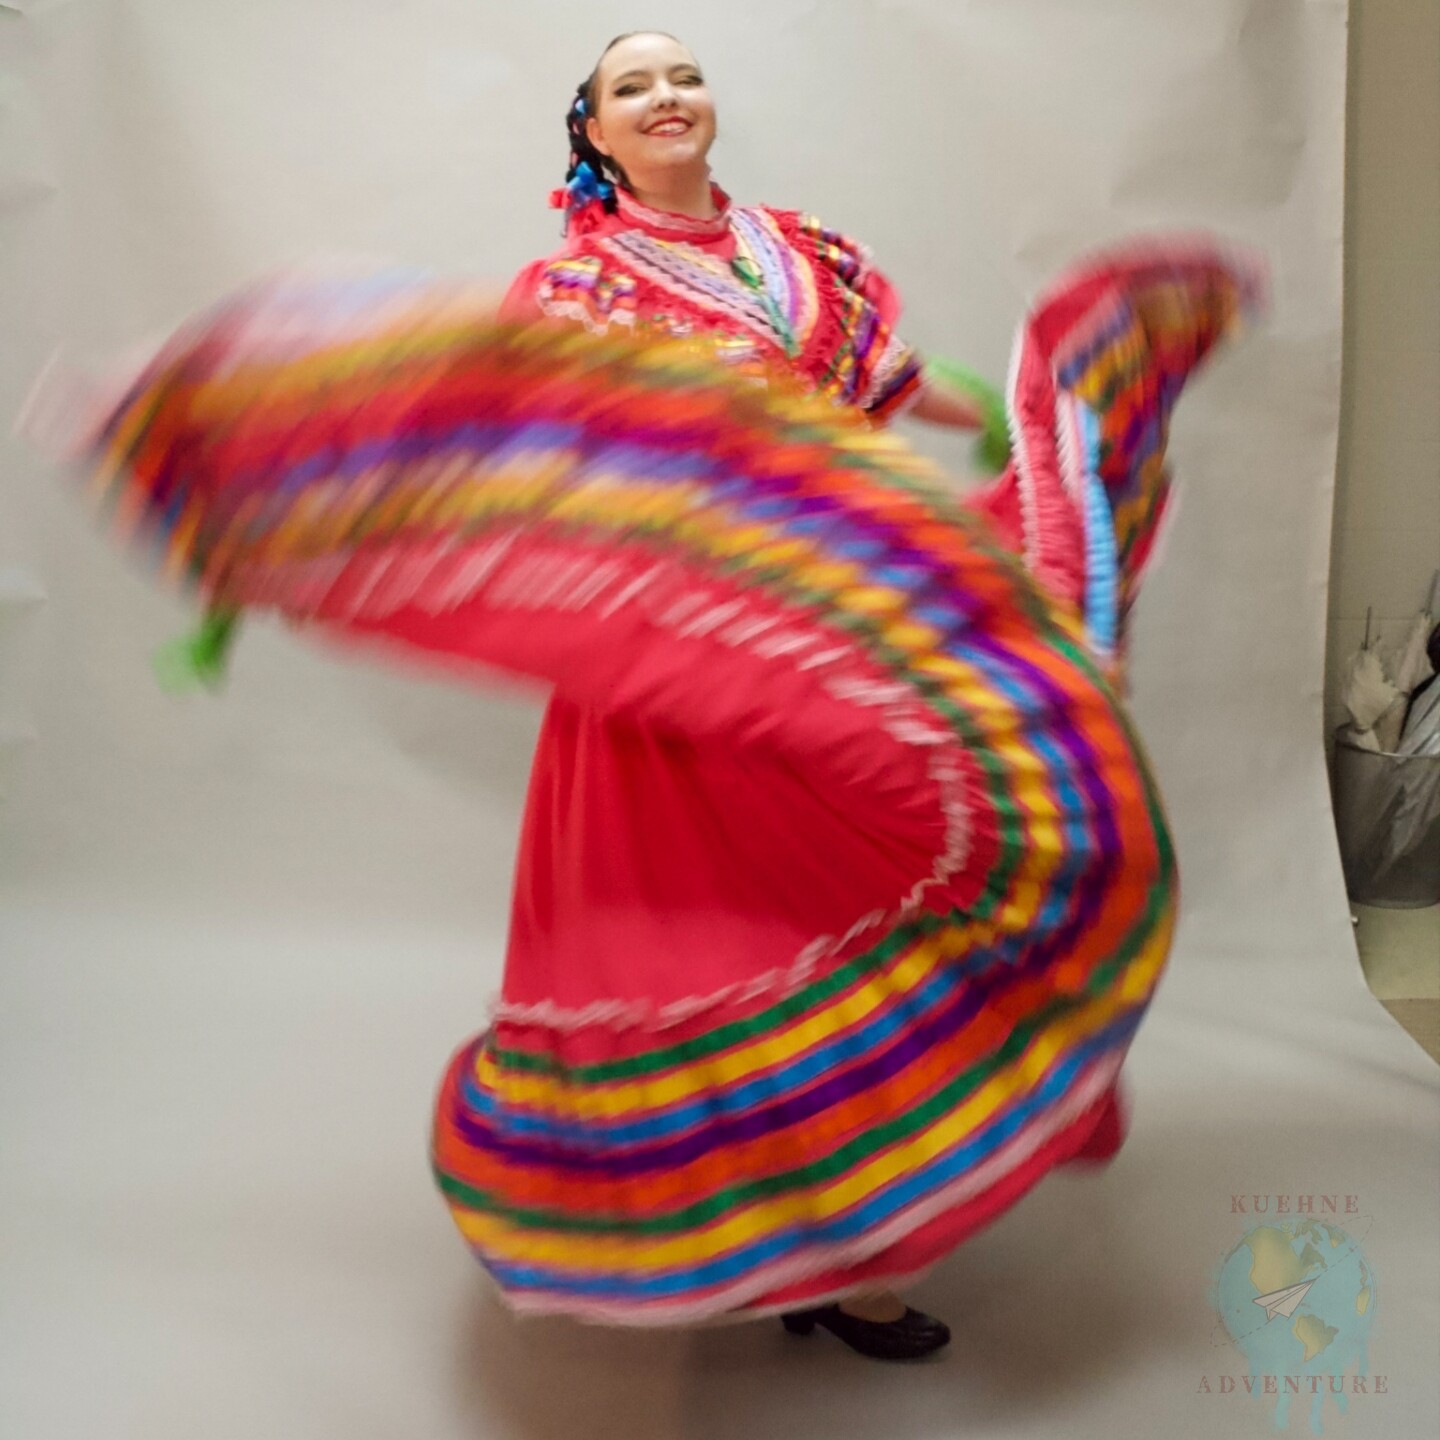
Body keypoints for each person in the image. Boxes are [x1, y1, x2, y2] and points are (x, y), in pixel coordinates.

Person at [39, 29, 1258, 1371]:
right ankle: (769, 1244)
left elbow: (884, 399)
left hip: (837, 648)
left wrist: (1020, 432)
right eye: (632, 86)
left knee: (883, 905)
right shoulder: (580, 291)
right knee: (726, 944)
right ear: (595, 133)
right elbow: (532, 448)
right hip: (680, 682)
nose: (666, 97)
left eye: (682, 76)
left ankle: (854, 1244)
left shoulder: (804, 252)